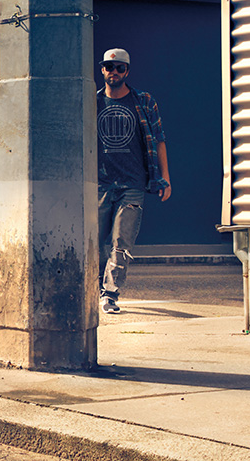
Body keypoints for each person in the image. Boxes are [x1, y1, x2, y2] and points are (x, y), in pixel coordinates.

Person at [95, 48, 171, 314]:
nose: (113, 72)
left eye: (119, 68)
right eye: (109, 67)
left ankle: (110, 294)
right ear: (102, 69)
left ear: (127, 71)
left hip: (133, 184)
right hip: (99, 184)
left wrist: (164, 179)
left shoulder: (144, 101)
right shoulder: (92, 103)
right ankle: (91, 287)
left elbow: (159, 140)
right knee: (91, 240)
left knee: (121, 241)